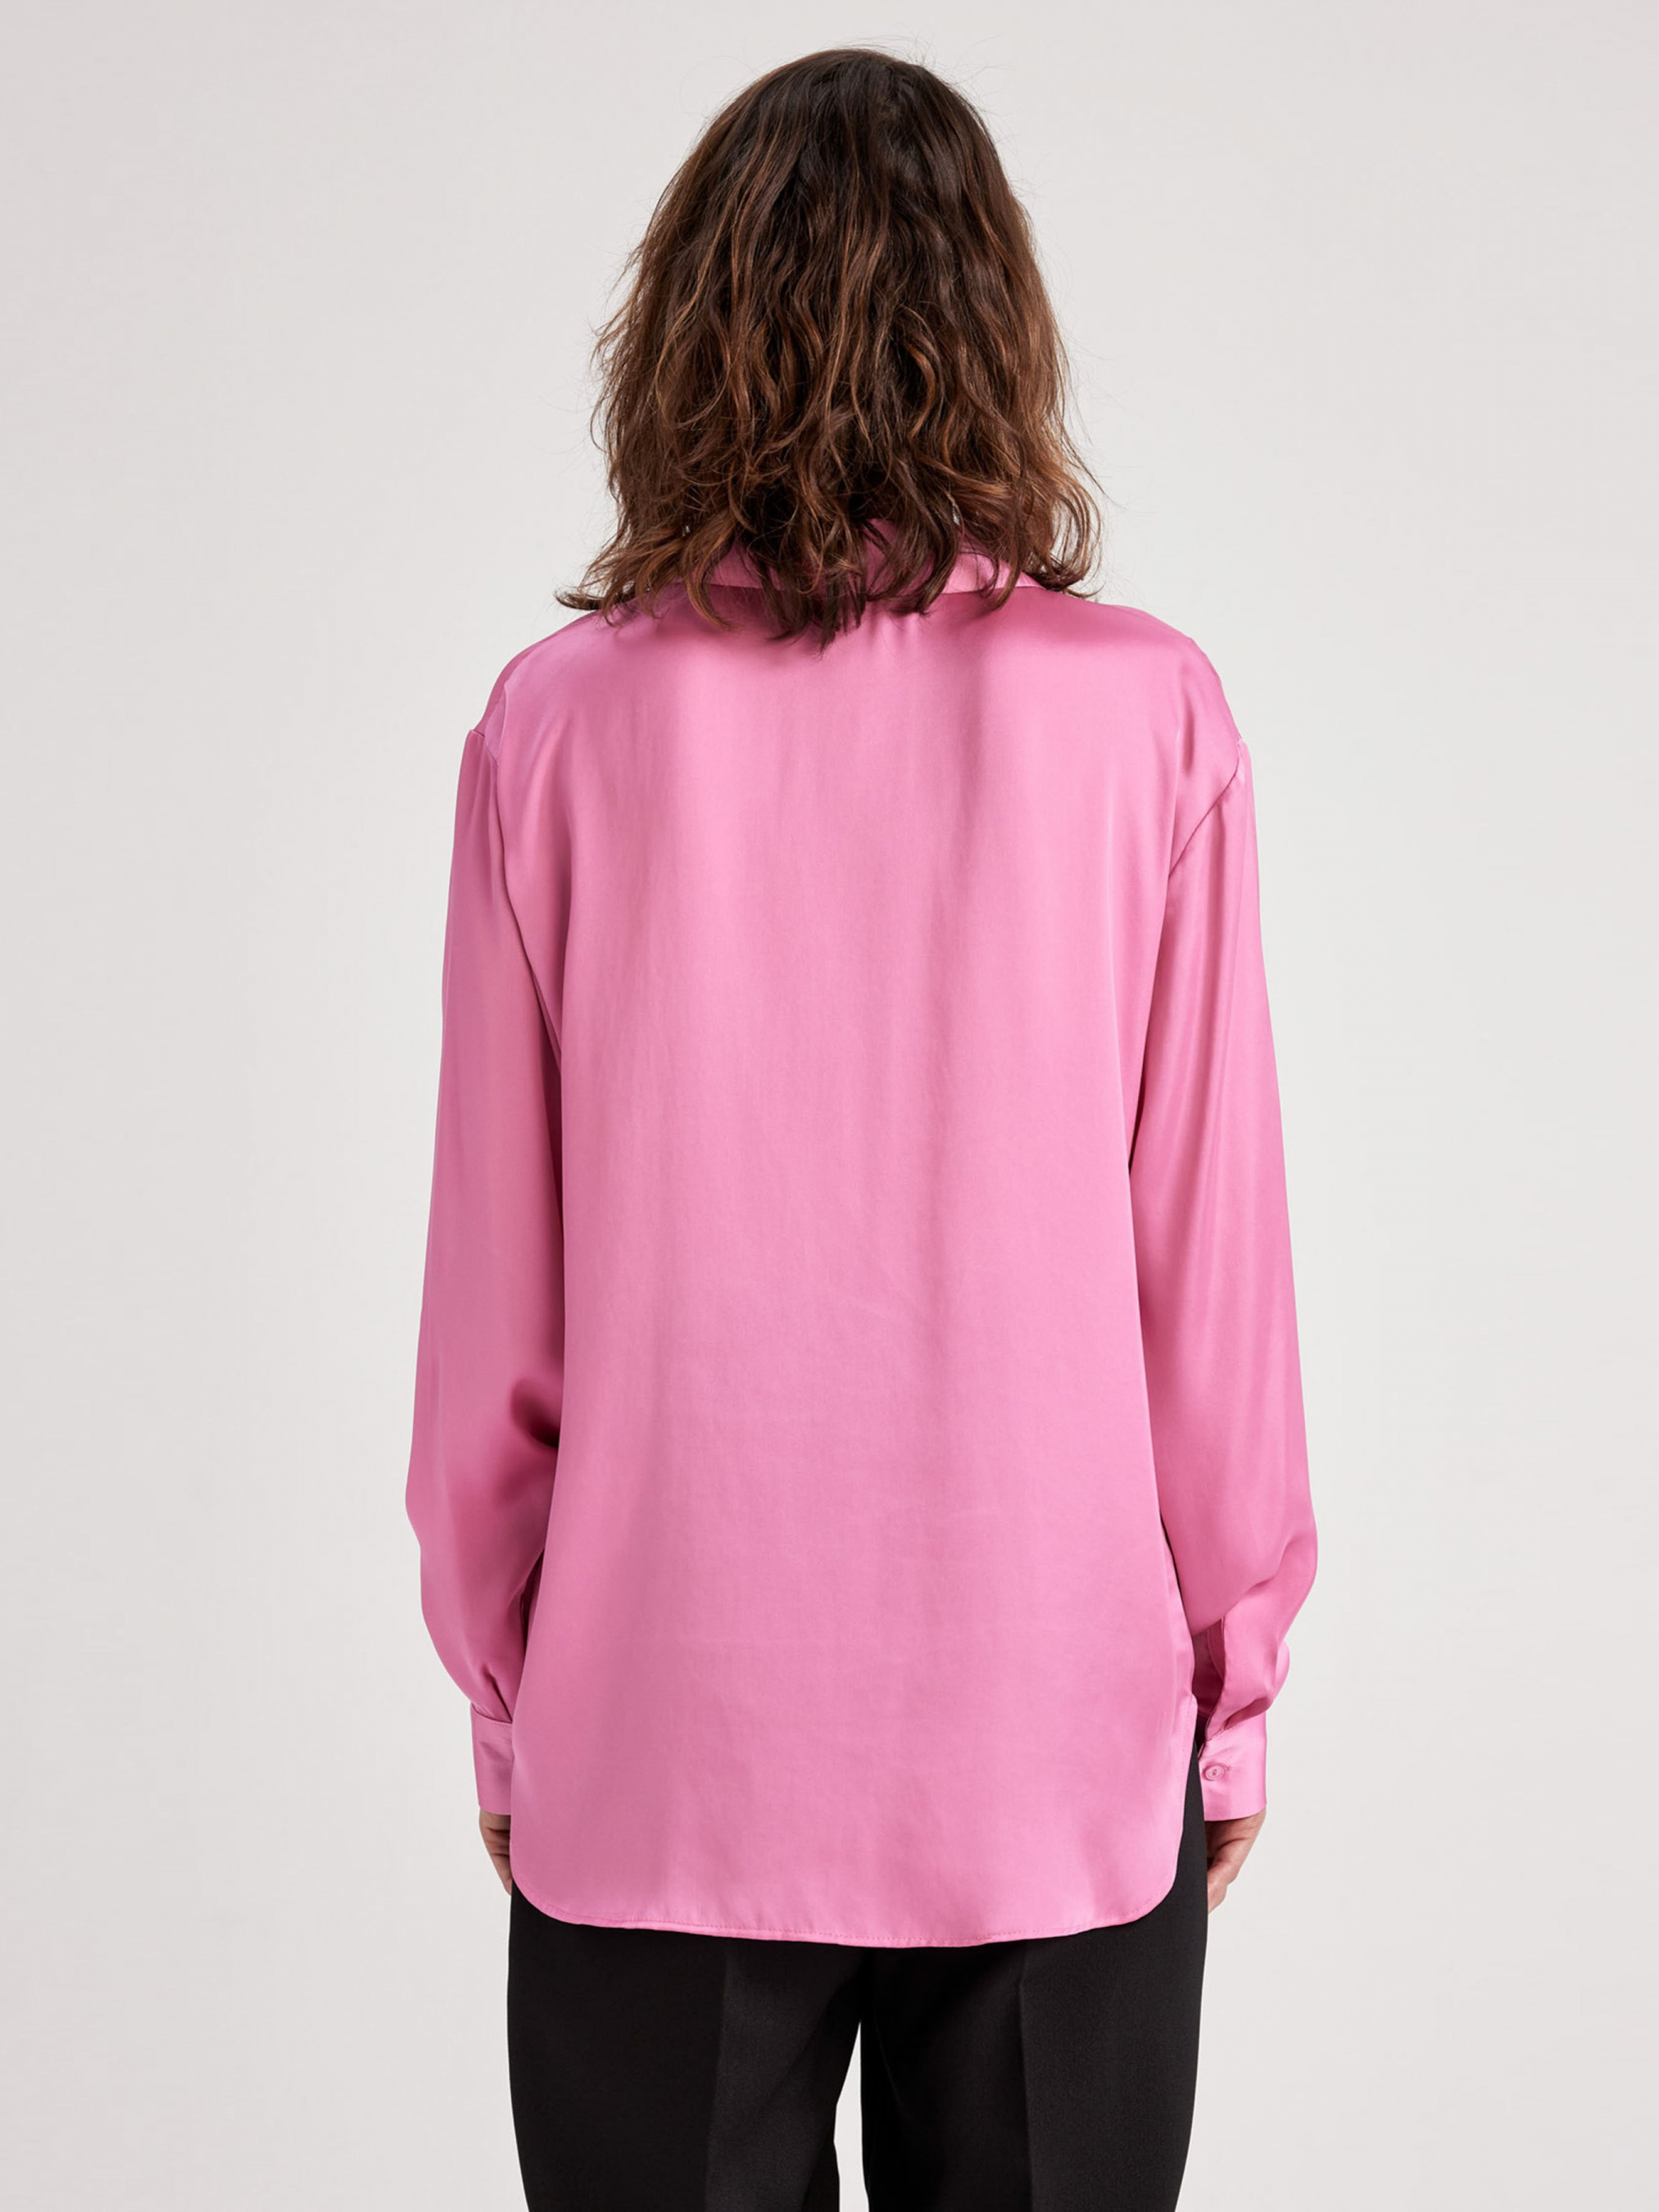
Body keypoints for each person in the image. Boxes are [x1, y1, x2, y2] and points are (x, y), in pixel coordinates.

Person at [406, 45, 1317, 2212]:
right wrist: (1231, 1687)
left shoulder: (559, 728)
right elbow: (1210, 1279)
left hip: (662, 1733)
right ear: (995, 329)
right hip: (1050, 1743)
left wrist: (514, 1698)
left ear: (686, 328)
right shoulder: (1149, 714)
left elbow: (493, 1314)